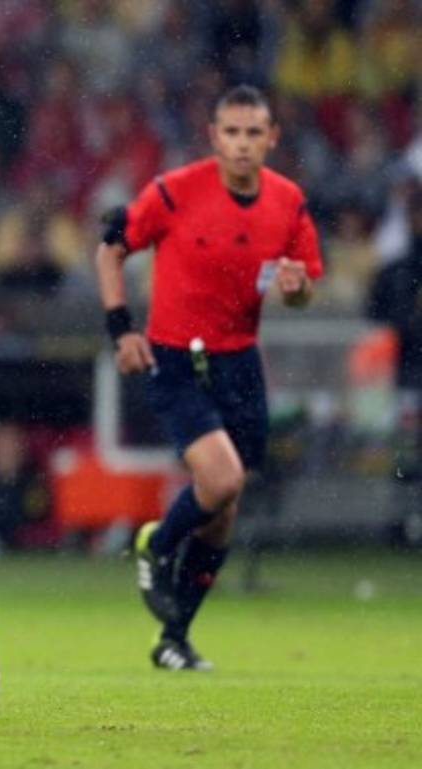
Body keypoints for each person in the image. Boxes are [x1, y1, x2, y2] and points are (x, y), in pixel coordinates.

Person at [94, 85, 323, 671]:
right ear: (214, 137)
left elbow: (301, 287)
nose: (243, 144)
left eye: (254, 133)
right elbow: (110, 248)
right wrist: (122, 329)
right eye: (233, 132)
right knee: (221, 479)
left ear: (272, 138)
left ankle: (174, 638)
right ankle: (156, 543)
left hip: (240, 363)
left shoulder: (288, 202)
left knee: (224, 510)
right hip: (176, 358)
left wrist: (297, 289)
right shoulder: (175, 191)